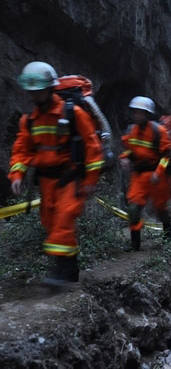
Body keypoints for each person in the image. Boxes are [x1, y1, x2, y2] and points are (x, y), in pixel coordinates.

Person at [9, 61, 104, 284]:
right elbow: (22, 150)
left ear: (50, 88)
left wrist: (90, 180)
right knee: (51, 224)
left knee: (63, 220)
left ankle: (59, 274)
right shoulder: (29, 121)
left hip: (70, 178)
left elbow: (92, 147)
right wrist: (17, 175)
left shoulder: (73, 113)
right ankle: (71, 271)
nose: (34, 95)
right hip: (46, 181)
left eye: (39, 90)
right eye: (31, 91)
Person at [120, 96, 171, 251]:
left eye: (141, 112)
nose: (137, 115)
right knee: (133, 209)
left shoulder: (159, 131)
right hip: (138, 176)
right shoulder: (132, 130)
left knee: (161, 209)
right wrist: (125, 158)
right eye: (135, 112)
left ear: (148, 114)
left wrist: (158, 172)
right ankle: (135, 244)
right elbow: (130, 149)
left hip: (158, 177)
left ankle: (167, 238)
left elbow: (166, 155)